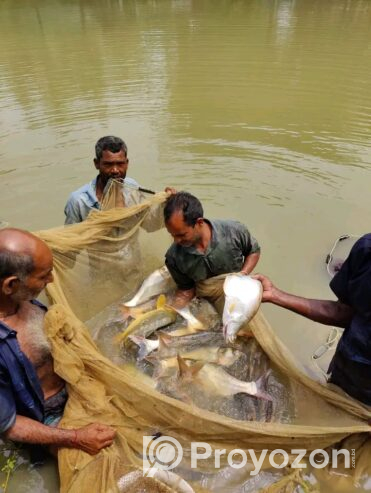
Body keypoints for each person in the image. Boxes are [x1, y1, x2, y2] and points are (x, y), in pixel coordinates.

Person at [0, 228, 116, 454]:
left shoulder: (24, 299)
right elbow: (8, 425)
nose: (52, 280)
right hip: (46, 419)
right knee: (105, 459)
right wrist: (76, 438)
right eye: (44, 276)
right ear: (10, 285)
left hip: (75, 387)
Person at [254, 233, 371, 405]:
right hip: (348, 370)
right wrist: (276, 295)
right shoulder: (366, 249)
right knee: (336, 408)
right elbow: (342, 312)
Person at [164, 192, 261, 307]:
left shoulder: (234, 231)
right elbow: (186, 289)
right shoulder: (173, 258)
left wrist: (242, 275)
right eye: (172, 235)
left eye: (182, 235)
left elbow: (253, 251)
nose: (176, 240)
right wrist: (176, 308)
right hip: (205, 298)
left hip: (236, 292)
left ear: (199, 222)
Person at [64, 135, 175, 228]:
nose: (115, 170)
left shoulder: (132, 188)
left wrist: (167, 205)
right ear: (96, 164)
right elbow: (71, 243)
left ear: (127, 163)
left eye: (120, 164)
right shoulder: (79, 201)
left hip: (132, 254)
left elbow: (150, 224)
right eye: (108, 164)